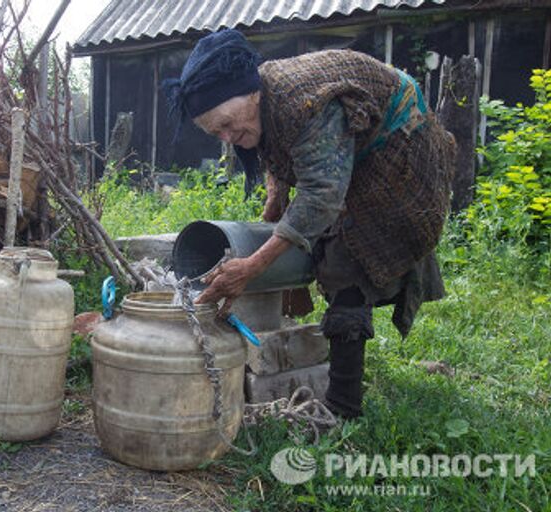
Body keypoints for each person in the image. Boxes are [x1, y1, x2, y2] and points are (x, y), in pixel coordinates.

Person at [162, 29, 455, 419]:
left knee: (345, 260)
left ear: (253, 95)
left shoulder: (304, 103)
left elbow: (320, 197)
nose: (228, 138)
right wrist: (274, 210)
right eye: (216, 132)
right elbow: (281, 157)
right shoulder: (263, 103)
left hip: (401, 153)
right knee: (316, 239)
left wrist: (254, 265)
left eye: (228, 124)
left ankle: (342, 409)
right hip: (358, 149)